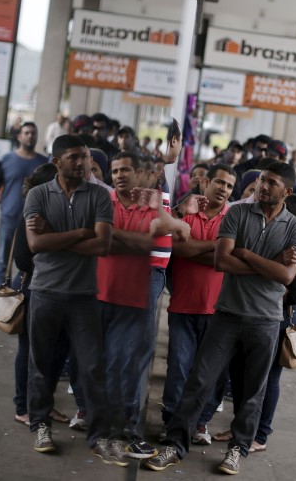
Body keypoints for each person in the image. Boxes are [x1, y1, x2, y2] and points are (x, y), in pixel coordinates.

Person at [145, 161, 296, 476]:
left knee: (251, 391)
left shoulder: (295, 228)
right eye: (260, 180)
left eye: (271, 182)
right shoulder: (237, 214)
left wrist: (244, 254)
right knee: (199, 381)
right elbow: (222, 260)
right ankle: (175, 445)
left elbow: (287, 276)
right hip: (227, 314)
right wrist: (263, 262)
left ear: (286, 191)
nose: (262, 186)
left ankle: (237, 449)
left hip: (265, 321)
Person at [22, 134, 124, 466]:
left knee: (93, 368)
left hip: (84, 296)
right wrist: (81, 232)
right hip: (45, 292)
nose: (81, 163)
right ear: (57, 162)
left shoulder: (99, 195)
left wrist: (58, 236)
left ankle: (99, 436)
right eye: (74, 157)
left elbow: (102, 246)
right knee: (41, 365)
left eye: (84, 156)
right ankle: (40, 425)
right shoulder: (38, 194)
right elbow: (35, 244)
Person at [96, 151, 190, 461]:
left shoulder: (151, 199)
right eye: (116, 170)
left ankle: (128, 432)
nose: (121, 175)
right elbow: (102, 238)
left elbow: (171, 228)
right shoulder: (105, 199)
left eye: (127, 170)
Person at [227, 194, 296, 453]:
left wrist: (264, 280)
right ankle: (241, 429)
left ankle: (260, 435)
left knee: (269, 379)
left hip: (281, 318)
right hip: (259, 315)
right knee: (243, 375)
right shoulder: (280, 244)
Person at [160, 163, 236, 445]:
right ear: (205, 182)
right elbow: (176, 248)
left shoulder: (233, 217)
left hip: (218, 311)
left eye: (229, 186)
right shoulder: (188, 212)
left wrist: (195, 246)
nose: (224, 190)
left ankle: (200, 423)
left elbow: (226, 256)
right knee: (179, 369)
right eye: (220, 183)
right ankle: (171, 421)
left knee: (209, 375)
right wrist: (215, 247)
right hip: (182, 306)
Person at [11, 163, 70, 427]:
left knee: (57, 350)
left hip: (60, 289)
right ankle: (23, 407)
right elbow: (23, 258)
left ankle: (45, 405)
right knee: (30, 349)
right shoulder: (33, 212)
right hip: (35, 288)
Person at [0, 122, 48, 289]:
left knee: (29, 261)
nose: (30, 136)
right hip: (9, 217)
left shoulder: (44, 163)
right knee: (3, 260)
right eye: (27, 133)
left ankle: (20, 297)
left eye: (33, 133)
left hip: (34, 220)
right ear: (19, 136)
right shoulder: (6, 160)